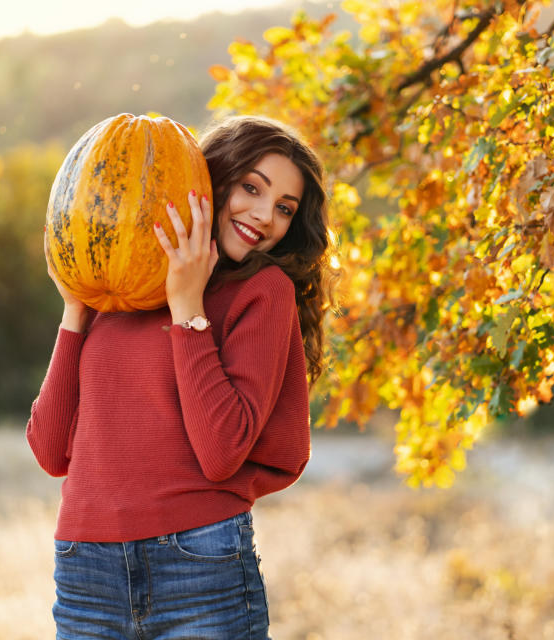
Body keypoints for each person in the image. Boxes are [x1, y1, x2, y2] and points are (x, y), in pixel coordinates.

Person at [27, 115, 333, 640]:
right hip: (86, 568)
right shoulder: (119, 279)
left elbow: (220, 453)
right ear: (211, 180)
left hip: (199, 563)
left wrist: (187, 306)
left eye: (284, 208)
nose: (264, 217)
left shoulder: (264, 292)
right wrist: (75, 312)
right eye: (251, 188)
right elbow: (52, 453)